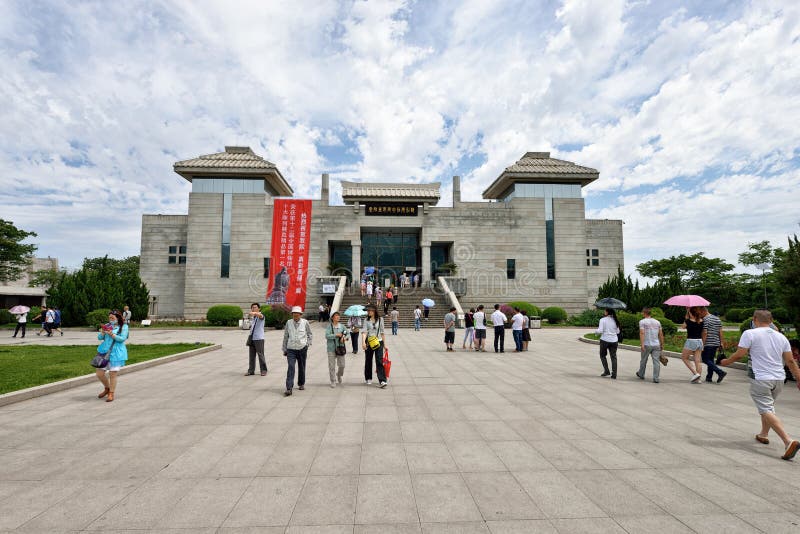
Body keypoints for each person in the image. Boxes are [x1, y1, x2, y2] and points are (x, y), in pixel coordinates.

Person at [720, 309, 800, 460]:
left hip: (761, 378)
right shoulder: (781, 337)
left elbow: (740, 354)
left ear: (754, 319)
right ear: (771, 320)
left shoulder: (750, 333)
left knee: (765, 409)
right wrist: (799, 377)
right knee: (768, 408)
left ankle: (788, 441)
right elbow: (790, 361)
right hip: (779, 379)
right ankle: (763, 434)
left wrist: (726, 362)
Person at [95, 310, 129, 402]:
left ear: (118, 318)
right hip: (104, 352)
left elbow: (122, 339)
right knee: (99, 373)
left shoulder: (124, 327)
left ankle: (111, 393)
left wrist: (112, 334)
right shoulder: (108, 325)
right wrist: (102, 332)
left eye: (112, 318)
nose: (110, 319)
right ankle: (107, 388)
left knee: (112, 374)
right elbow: (99, 338)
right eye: (109, 318)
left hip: (116, 353)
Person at [282, 306, 312, 396]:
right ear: (292, 314)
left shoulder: (305, 322)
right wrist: (284, 348)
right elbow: (286, 336)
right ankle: (289, 388)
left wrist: (308, 344)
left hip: (302, 348)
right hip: (291, 348)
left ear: (300, 314)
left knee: (302, 366)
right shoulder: (288, 322)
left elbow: (310, 334)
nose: (295, 315)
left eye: (297, 313)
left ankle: (301, 383)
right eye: (294, 313)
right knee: (291, 367)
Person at [362, 304, 387, 387]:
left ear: (374, 311)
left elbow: (382, 332)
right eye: (367, 311)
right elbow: (364, 332)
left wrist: (385, 345)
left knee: (379, 360)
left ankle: (382, 380)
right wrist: (363, 342)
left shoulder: (380, 319)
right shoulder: (366, 320)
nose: (368, 312)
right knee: (368, 360)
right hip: (369, 342)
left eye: (369, 310)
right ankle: (368, 377)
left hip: (379, 342)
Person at [699, 307, 727, 384]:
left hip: (708, 343)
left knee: (705, 359)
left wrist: (702, 344)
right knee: (710, 360)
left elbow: (705, 333)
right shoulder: (717, 319)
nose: (699, 315)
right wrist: (721, 342)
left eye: (700, 313)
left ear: (703, 311)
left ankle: (720, 372)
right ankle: (709, 377)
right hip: (715, 343)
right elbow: (720, 332)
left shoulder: (706, 319)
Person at [637, 308, 665, 383]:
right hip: (656, 345)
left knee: (643, 360)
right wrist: (662, 344)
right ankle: (656, 378)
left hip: (647, 344)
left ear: (644, 313)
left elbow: (642, 333)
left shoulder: (642, 322)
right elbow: (661, 334)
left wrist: (642, 344)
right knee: (656, 361)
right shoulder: (657, 322)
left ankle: (641, 374)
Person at [681, 307, 705, 383]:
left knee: (684, 358)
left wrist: (686, 317)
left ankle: (696, 374)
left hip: (691, 341)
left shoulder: (688, 321)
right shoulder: (701, 321)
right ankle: (698, 379)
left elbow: (683, 327)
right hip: (699, 341)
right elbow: (704, 332)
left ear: (691, 313)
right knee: (698, 361)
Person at [325, 312, 348, 388]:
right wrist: (336, 335)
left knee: (342, 365)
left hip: (340, 348)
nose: (338, 317)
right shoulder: (329, 327)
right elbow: (327, 336)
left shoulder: (342, 326)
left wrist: (344, 338)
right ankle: (333, 380)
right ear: (332, 318)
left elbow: (347, 333)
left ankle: (339, 374)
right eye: (336, 316)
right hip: (331, 348)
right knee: (331, 366)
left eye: (338, 316)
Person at [596, 308, 620, 378]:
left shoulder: (602, 320)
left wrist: (595, 331)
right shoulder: (615, 320)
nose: (604, 312)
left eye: (605, 311)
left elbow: (600, 331)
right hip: (614, 341)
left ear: (607, 312)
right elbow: (618, 332)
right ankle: (614, 374)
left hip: (604, 340)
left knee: (602, 355)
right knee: (613, 357)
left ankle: (606, 371)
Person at [245, 303, 267, 376]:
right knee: (251, 355)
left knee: (260, 355)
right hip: (252, 338)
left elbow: (260, 316)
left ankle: (263, 370)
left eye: (255, 307)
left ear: (259, 309)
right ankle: (251, 370)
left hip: (259, 338)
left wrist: (254, 313)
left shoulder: (261, 316)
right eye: (252, 308)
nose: (253, 308)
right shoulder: (253, 318)